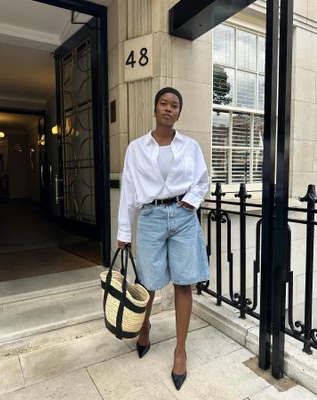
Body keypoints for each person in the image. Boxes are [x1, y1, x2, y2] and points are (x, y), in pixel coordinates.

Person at [117, 87, 210, 391]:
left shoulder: (190, 146)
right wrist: (123, 232)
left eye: (174, 105)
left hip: (183, 217)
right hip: (151, 218)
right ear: (155, 109)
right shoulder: (136, 148)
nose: (169, 109)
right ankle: (144, 327)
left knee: (184, 282)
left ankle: (179, 350)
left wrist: (193, 199)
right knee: (148, 281)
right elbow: (129, 190)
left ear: (179, 112)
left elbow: (201, 179)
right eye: (164, 103)